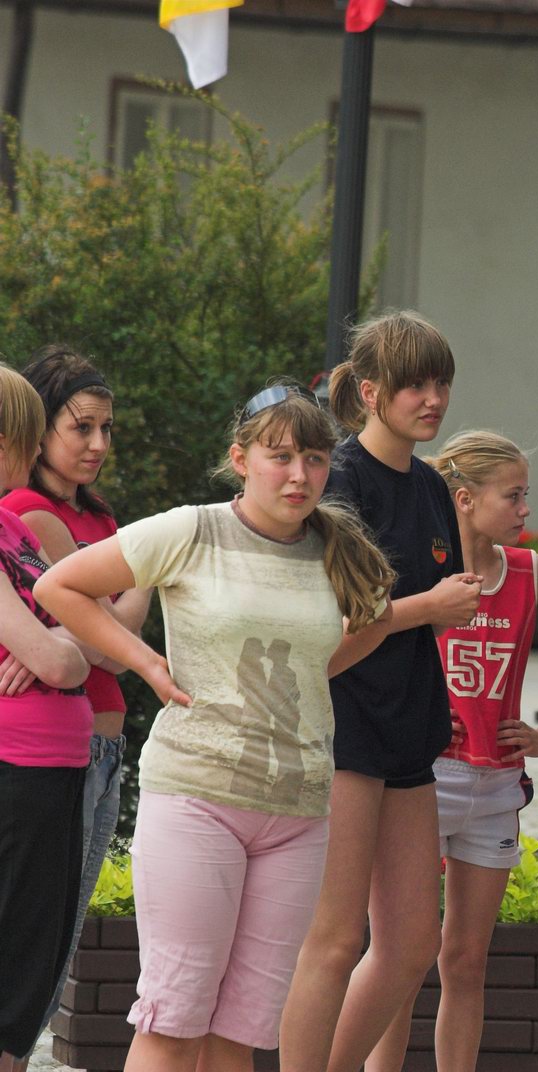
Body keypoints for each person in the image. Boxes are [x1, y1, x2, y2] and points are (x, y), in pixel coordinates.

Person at [35, 385, 396, 1072]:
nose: (299, 475)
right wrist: (147, 662)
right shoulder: (191, 530)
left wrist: (308, 673)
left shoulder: (337, 547)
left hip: (298, 812)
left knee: (240, 1037)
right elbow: (60, 587)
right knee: (174, 1022)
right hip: (197, 798)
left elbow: (378, 618)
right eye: (280, 456)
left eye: (315, 459)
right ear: (240, 459)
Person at [279, 312, 484, 1072]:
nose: (433, 400)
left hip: (410, 727)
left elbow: (429, 605)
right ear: (369, 392)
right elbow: (327, 634)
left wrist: (442, 607)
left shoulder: (431, 485)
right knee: (335, 939)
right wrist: (429, 607)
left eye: (442, 384)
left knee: (411, 944)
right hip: (344, 726)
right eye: (414, 386)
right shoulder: (338, 479)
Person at [367, 430, 538, 1072]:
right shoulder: (420, 570)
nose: (526, 509)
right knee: (399, 957)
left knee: (466, 960)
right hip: (421, 780)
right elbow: (364, 643)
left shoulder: (530, 572)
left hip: (496, 787)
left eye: (526, 495)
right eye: (512, 496)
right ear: (464, 499)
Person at [4, 345, 152, 1064]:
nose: (97, 443)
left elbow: (104, 636)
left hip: (92, 744)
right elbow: (103, 645)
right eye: (80, 426)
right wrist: (146, 569)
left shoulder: (90, 515)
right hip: (54, 749)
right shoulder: (31, 514)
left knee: (49, 938)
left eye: (107, 428)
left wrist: (90, 627)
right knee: (36, 944)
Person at [0, 364, 96, 1072]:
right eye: (27, 436)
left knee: (30, 967)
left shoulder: (12, 527)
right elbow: (65, 659)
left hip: (53, 770)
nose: (35, 451)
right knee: (12, 964)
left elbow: (90, 640)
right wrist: (58, 647)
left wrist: (60, 644)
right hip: (16, 769)